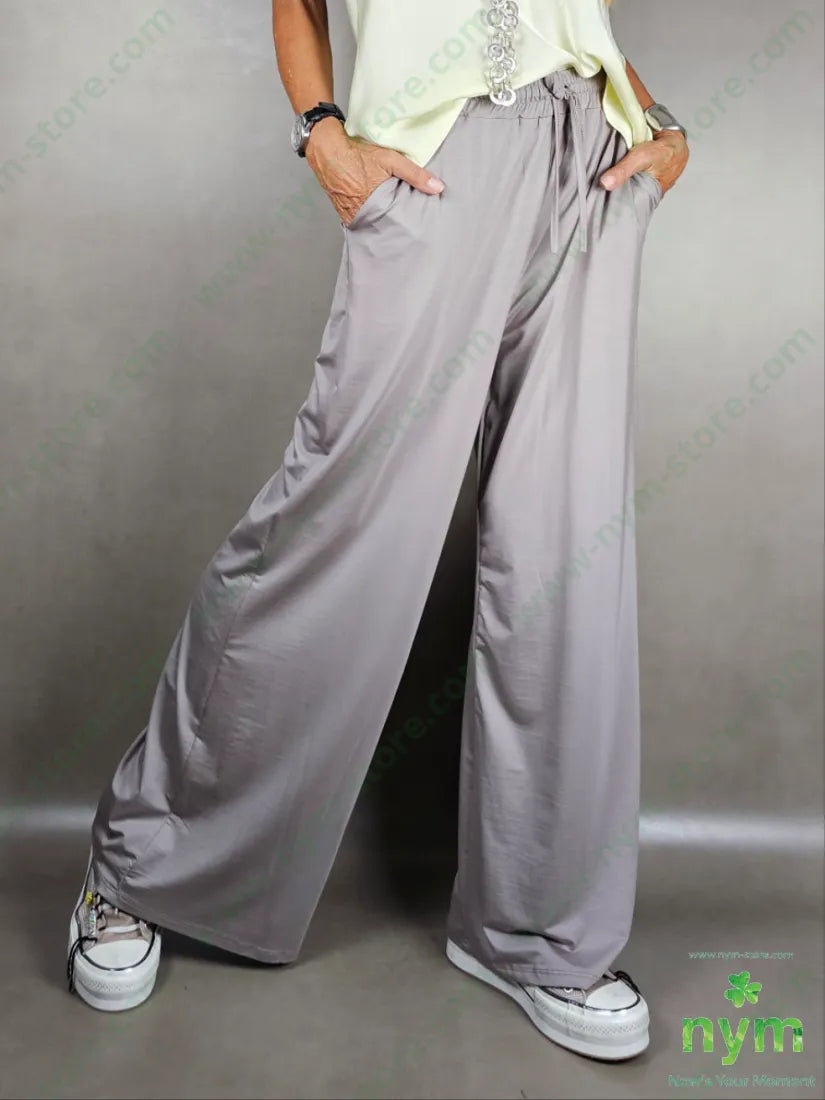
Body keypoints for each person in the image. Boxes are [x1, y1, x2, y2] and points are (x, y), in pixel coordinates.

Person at [66, 0, 689, 1061]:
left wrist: (658, 126)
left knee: (567, 550)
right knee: (336, 528)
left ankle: (537, 932)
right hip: (437, 159)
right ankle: (145, 865)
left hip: (593, 157)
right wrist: (324, 136)